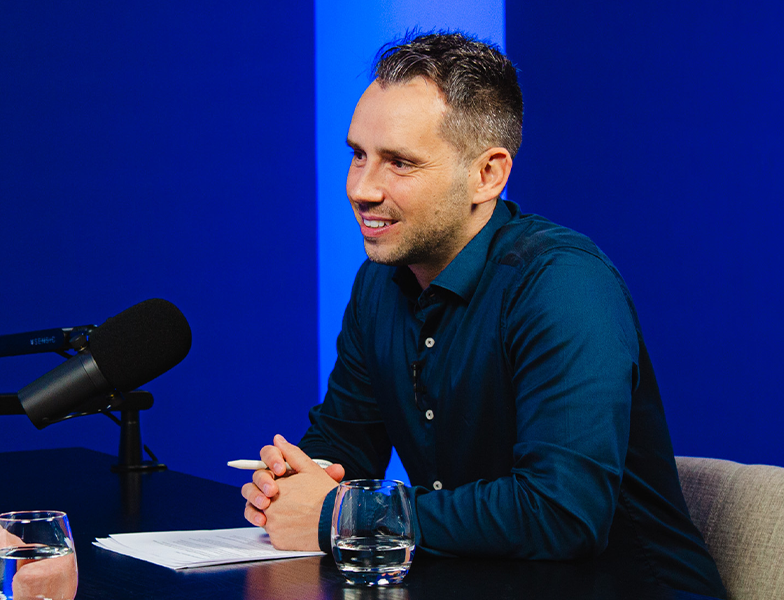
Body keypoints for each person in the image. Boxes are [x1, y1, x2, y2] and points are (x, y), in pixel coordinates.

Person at [239, 32, 728, 598]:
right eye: (358, 154)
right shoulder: (379, 282)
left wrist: (340, 515)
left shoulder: (563, 284)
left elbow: (561, 514)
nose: (361, 188)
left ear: (488, 175)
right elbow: (344, 445)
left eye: (400, 162)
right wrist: (293, 483)